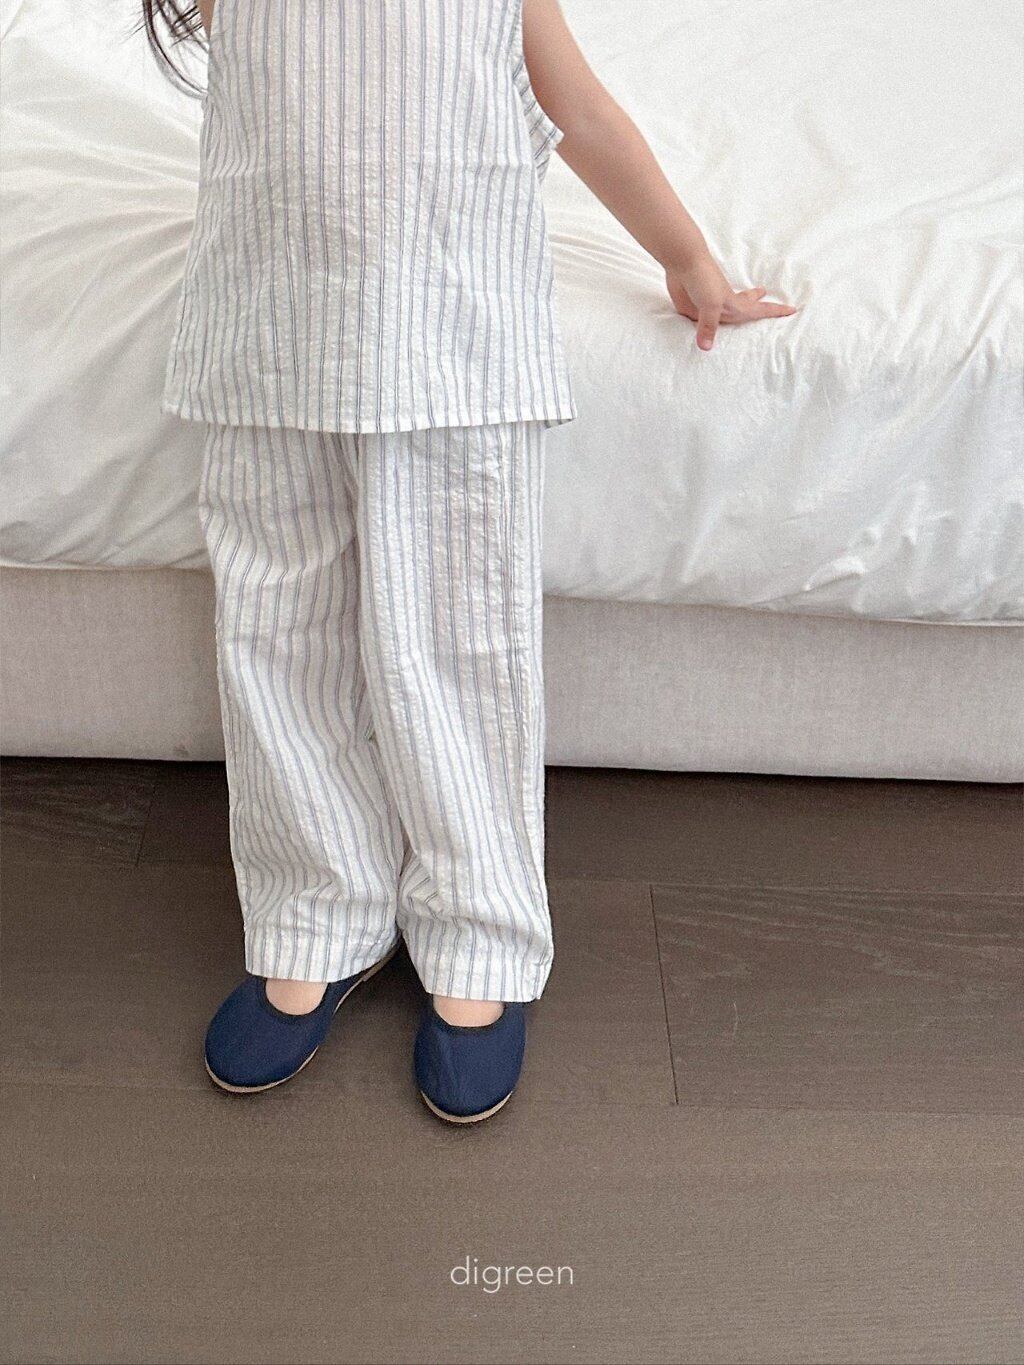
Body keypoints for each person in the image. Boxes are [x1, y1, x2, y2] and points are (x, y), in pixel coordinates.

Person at [144, 0, 795, 1123]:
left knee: (454, 650)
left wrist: (689, 259)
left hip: (451, 341)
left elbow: (579, 110)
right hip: (269, 330)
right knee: (277, 637)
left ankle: (478, 929)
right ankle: (314, 912)